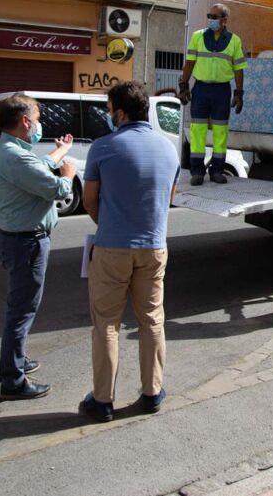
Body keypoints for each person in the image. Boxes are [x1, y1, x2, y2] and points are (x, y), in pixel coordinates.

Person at [79, 81, 180, 422]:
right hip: (153, 246)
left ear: (120, 113)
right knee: (152, 321)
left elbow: (89, 201)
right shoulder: (169, 149)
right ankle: (152, 392)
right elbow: (168, 198)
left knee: (106, 324)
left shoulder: (103, 148)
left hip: (112, 248)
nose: (109, 116)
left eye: (109, 110)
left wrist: (109, 223)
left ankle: (103, 400)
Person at [0, 94, 76, 400]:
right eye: (37, 119)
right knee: (22, 310)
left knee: (20, 306)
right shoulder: (16, 156)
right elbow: (55, 188)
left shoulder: (9, 149)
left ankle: (17, 359)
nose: (39, 125)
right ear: (25, 121)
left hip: (15, 238)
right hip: (25, 242)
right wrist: (68, 175)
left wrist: (59, 151)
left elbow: (36, 166)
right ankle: (12, 379)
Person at [178, 3, 247, 186]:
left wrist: (239, 93)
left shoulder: (234, 41)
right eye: (209, 15)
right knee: (198, 131)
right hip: (201, 88)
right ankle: (197, 172)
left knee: (220, 132)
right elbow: (190, 62)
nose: (211, 19)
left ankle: (217, 170)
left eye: (215, 17)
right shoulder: (198, 37)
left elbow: (239, 69)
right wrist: (183, 85)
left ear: (224, 20)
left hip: (222, 91)